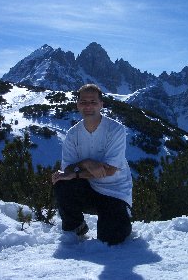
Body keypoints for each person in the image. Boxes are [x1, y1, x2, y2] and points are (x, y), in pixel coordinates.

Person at [52, 84, 132, 245]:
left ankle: (122, 216)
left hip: (115, 192)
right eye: (83, 101)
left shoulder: (116, 130)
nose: (88, 106)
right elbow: (67, 169)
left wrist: (77, 173)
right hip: (89, 189)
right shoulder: (72, 134)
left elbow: (109, 171)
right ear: (77, 104)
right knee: (61, 182)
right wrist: (88, 163)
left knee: (112, 240)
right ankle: (76, 228)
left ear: (101, 104)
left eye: (93, 102)